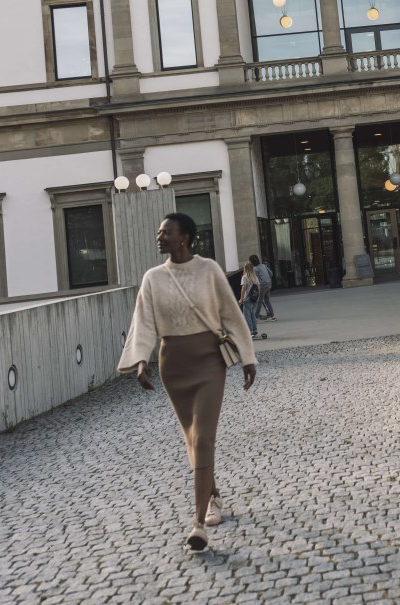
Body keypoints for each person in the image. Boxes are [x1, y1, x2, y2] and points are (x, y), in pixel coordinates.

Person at [117, 213, 258, 552]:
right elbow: (144, 321)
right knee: (192, 438)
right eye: (158, 231)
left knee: (205, 435)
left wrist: (248, 357)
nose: (160, 237)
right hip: (173, 365)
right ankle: (214, 495)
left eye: (166, 232)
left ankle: (198, 523)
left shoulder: (208, 270)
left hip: (209, 361)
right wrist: (140, 361)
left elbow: (230, 315)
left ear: (185, 237)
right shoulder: (153, 278)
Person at [239, 261, 266, 340]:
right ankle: (254, 330)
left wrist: (241, 299)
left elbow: (243, 288)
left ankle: (250, 332)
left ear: (245, 268)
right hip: (254, 299)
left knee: (247, 316)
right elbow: (259, 288)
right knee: (253, 315)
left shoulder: (245, 277)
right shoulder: (255, 277)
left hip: (247, 299)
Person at [250, 255, 277, 322]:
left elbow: (254, 279)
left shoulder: (255, 269)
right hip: (269, 283)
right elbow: (271, 273)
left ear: (251, 262)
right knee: (267, 300)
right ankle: (272, 316)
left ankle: (256, 317)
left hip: (262, 285)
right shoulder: (263, 265)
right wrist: (267, 279)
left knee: (259, 301)